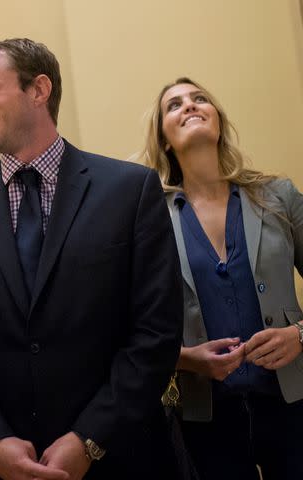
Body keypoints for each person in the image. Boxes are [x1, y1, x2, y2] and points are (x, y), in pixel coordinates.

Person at [0, 38, 184, 480]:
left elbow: (156, 332)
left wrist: (89, 439)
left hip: (120, 459)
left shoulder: (130, 192)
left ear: (38, 90)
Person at [141, 77, 303, 480]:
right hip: (205, 417)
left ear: (217, 119)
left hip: (294, 403)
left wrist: (298, 335)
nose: (191, 106)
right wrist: (184, 359)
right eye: (174, 105)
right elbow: (126, 322)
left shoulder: (278, 196)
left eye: (200, 99)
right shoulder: (149, 218)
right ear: (163, 138)